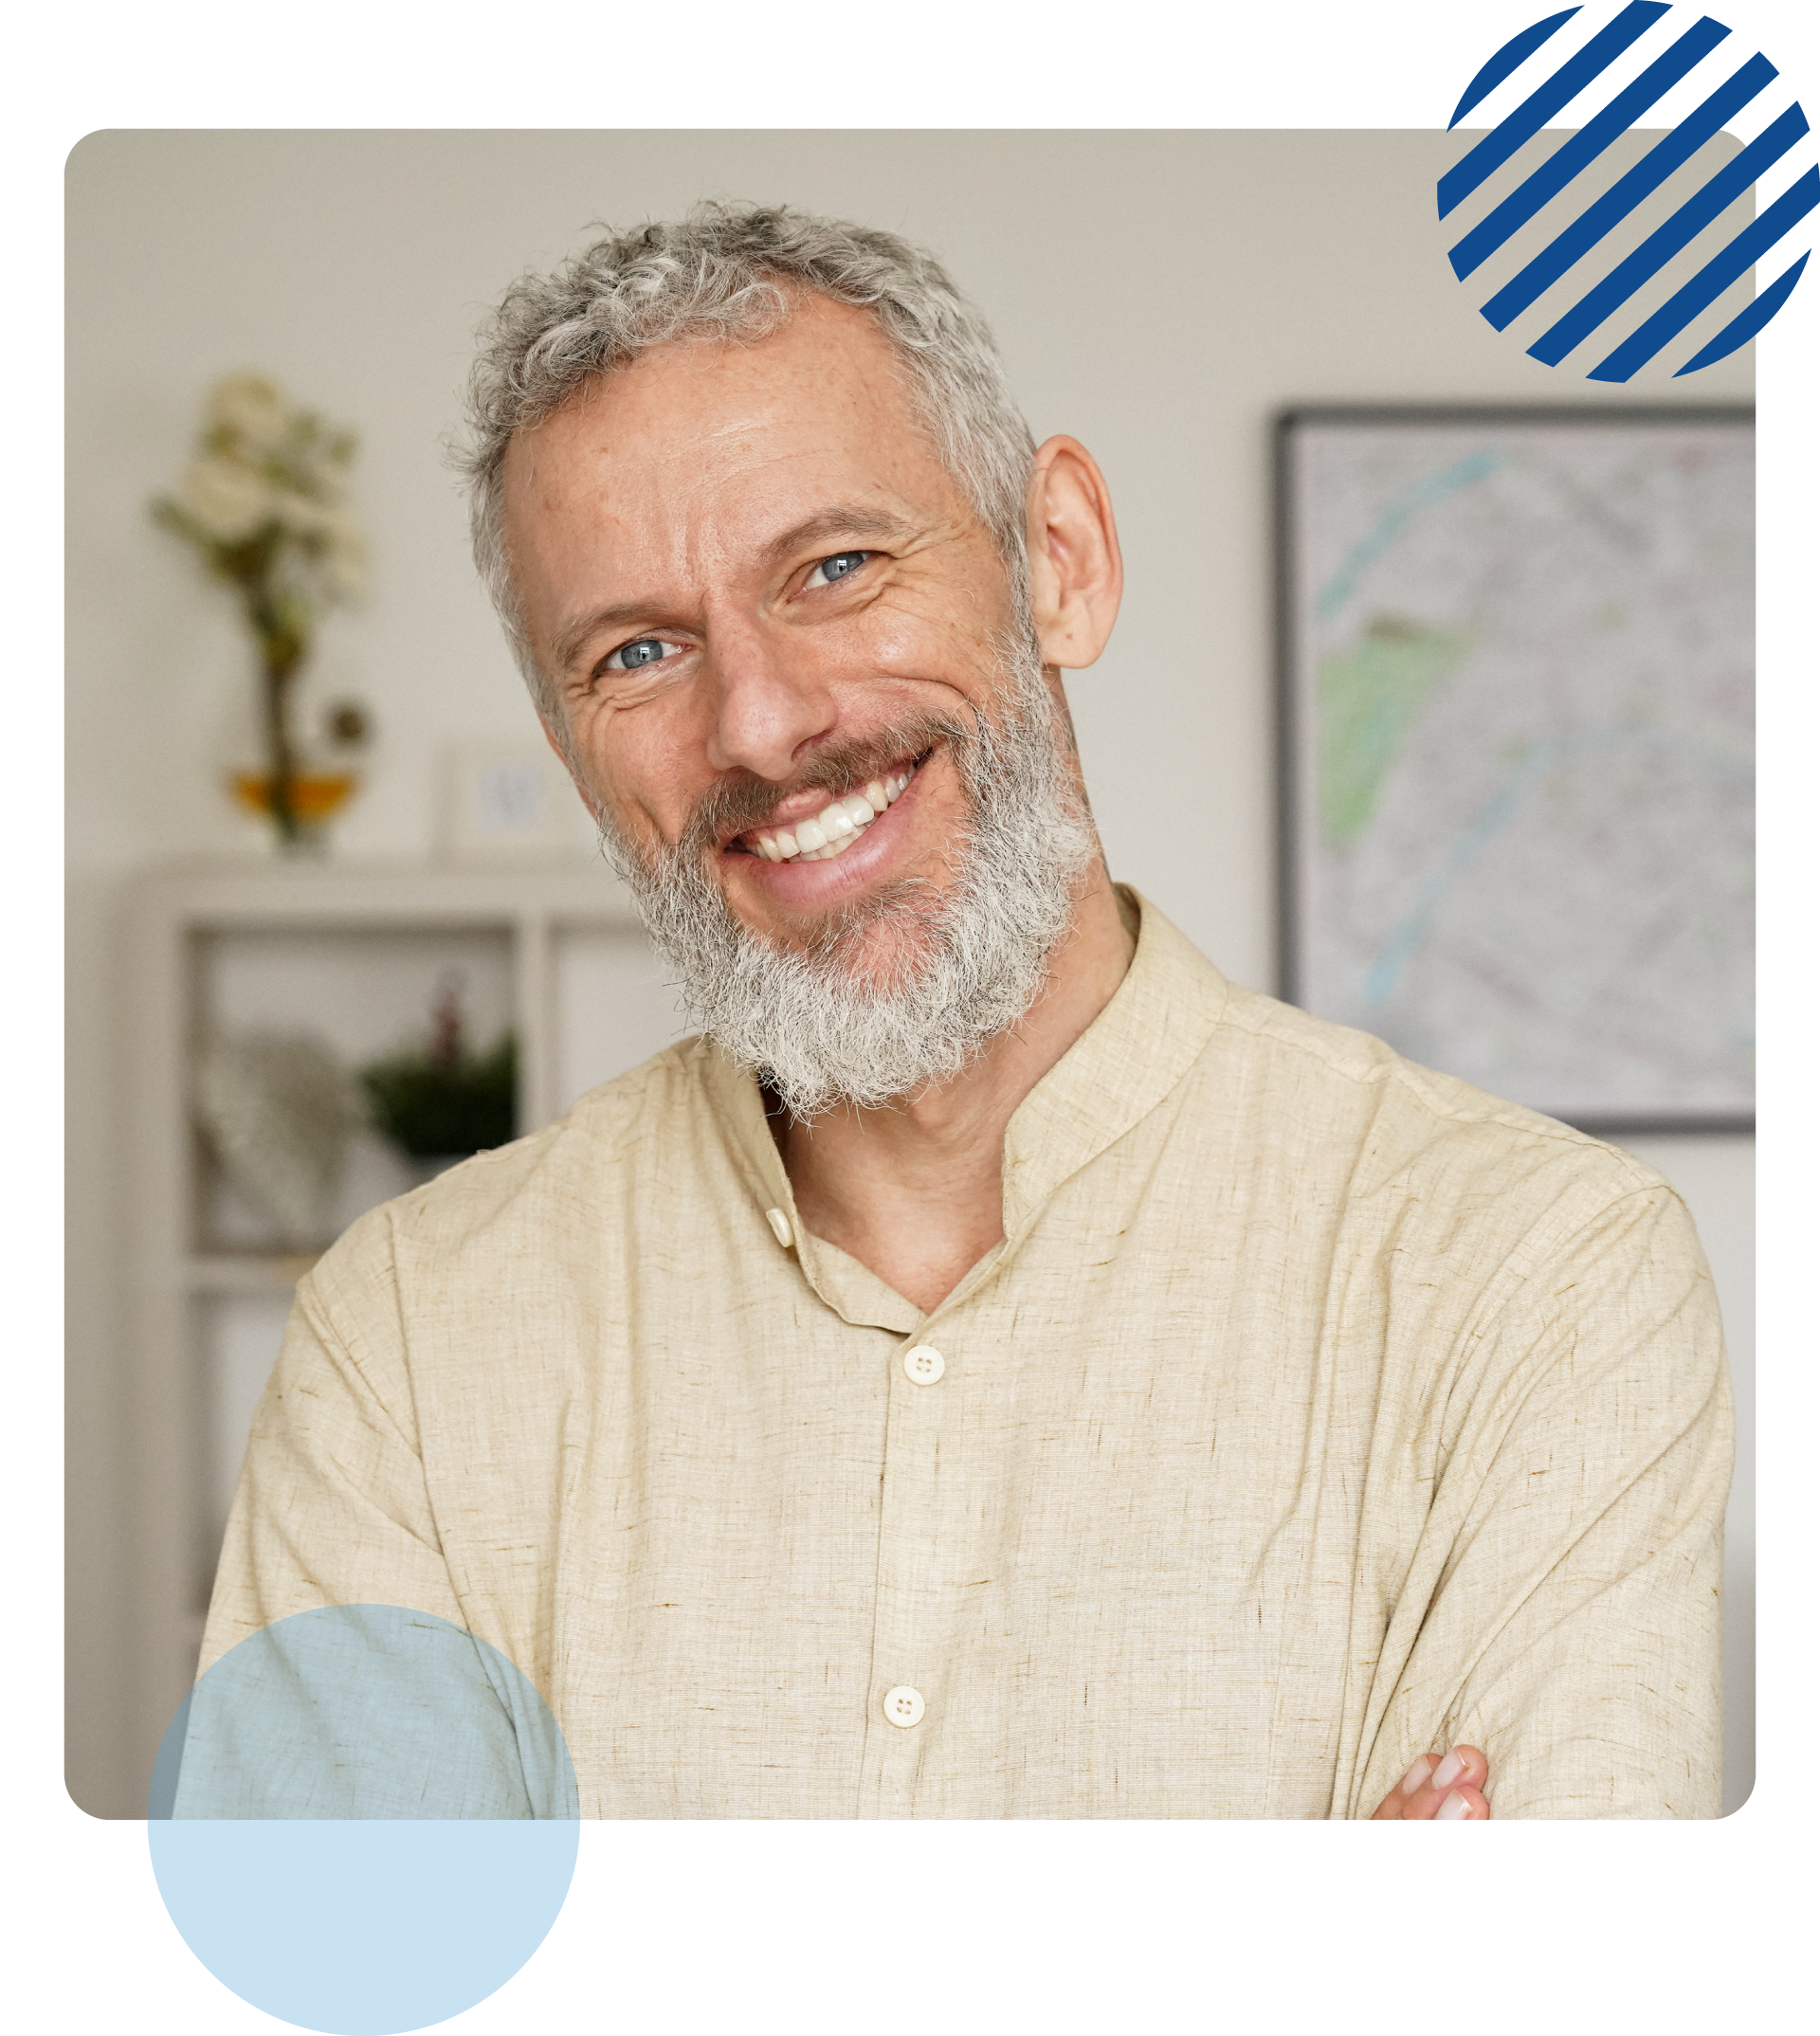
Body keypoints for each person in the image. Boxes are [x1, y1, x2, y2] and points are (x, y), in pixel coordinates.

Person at [200, 205, 1732, 1819]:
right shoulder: (411, 1343)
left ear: (1058, 559)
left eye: (835, 568)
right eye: (639, 651)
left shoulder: (1533, 1273)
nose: (762, 724)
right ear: (574, 747)